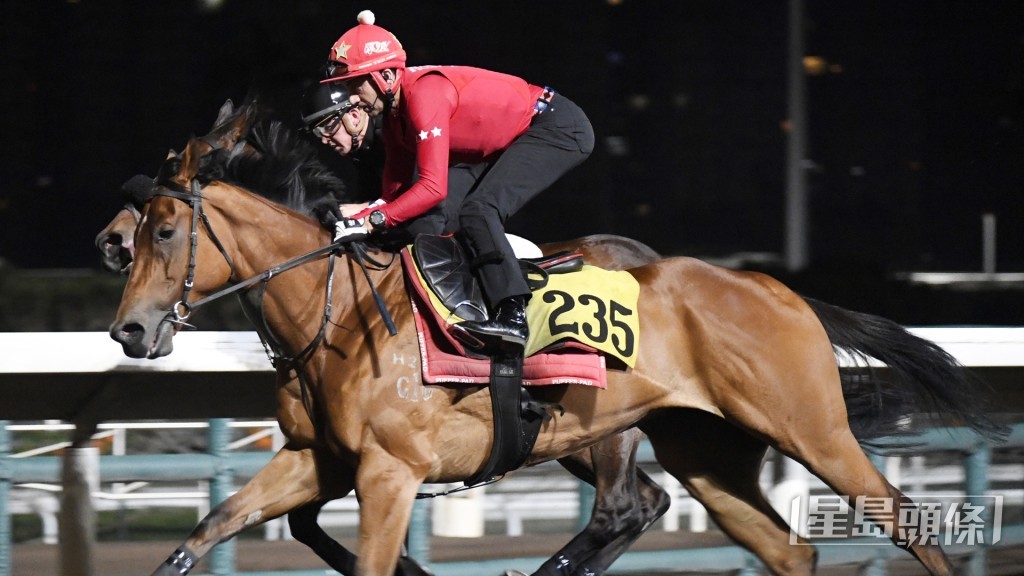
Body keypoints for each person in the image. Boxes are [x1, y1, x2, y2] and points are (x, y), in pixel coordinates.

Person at [321, 10, 595, 355]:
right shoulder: (392, 117)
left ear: (387, 75)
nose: (351, 96)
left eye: (354, 83)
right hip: (499, 145)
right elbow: (396, 193)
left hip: (555, 128)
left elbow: (433, 187)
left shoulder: (424, 96)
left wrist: (372, 219)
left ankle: (513, 313)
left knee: (478, 210)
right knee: (427, 219)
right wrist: (369, 214)